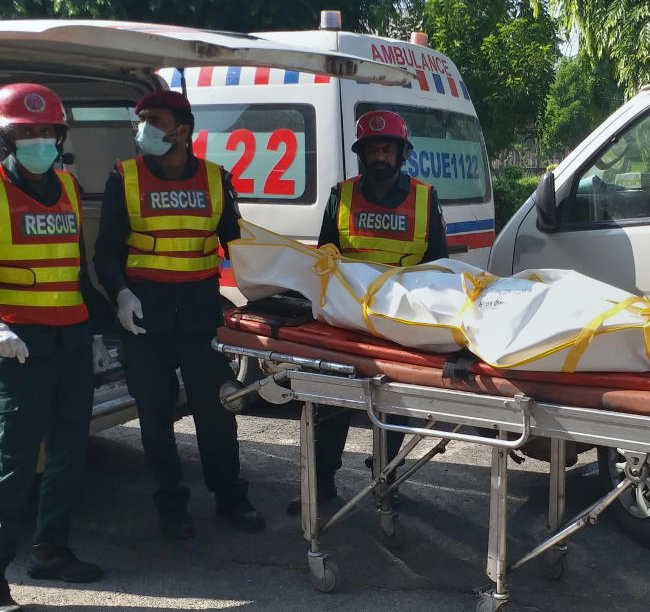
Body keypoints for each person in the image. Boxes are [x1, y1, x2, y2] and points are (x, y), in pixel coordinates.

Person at [93, 90, 264, 541]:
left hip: (199, 314)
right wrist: (121, 293)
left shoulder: (214, 179)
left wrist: (267, 290)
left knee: (217, 410)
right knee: (155, 415)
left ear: (181, 130)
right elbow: (106, 252)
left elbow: (237, 243)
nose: (142, 126)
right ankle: (172, 507)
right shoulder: (124, 177)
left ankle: (230, 497)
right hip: (144, 317)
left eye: (152, 119)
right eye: (141, 118)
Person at [289, 110, 448, 514]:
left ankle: (386, 480)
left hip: (397, 324)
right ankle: (322, 484)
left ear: (401, 153)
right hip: (346, 322)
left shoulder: (425, 199)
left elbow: (439, 269)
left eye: (387, 148)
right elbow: (326, 256)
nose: (380, 156)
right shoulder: (340, 196)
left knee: (393, 409)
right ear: (362, 155)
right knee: (330, 406)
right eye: (372, 149)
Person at [0, 83, 113, 611]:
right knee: (13, 462)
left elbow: (76, 271)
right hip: (18, 346)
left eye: (47, 132)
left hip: (69, 340)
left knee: (69, 453)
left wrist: (92, 330)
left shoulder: (68, 187)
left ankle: (52, 551)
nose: (39, 141)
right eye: (27, 132)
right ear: (8, 138)